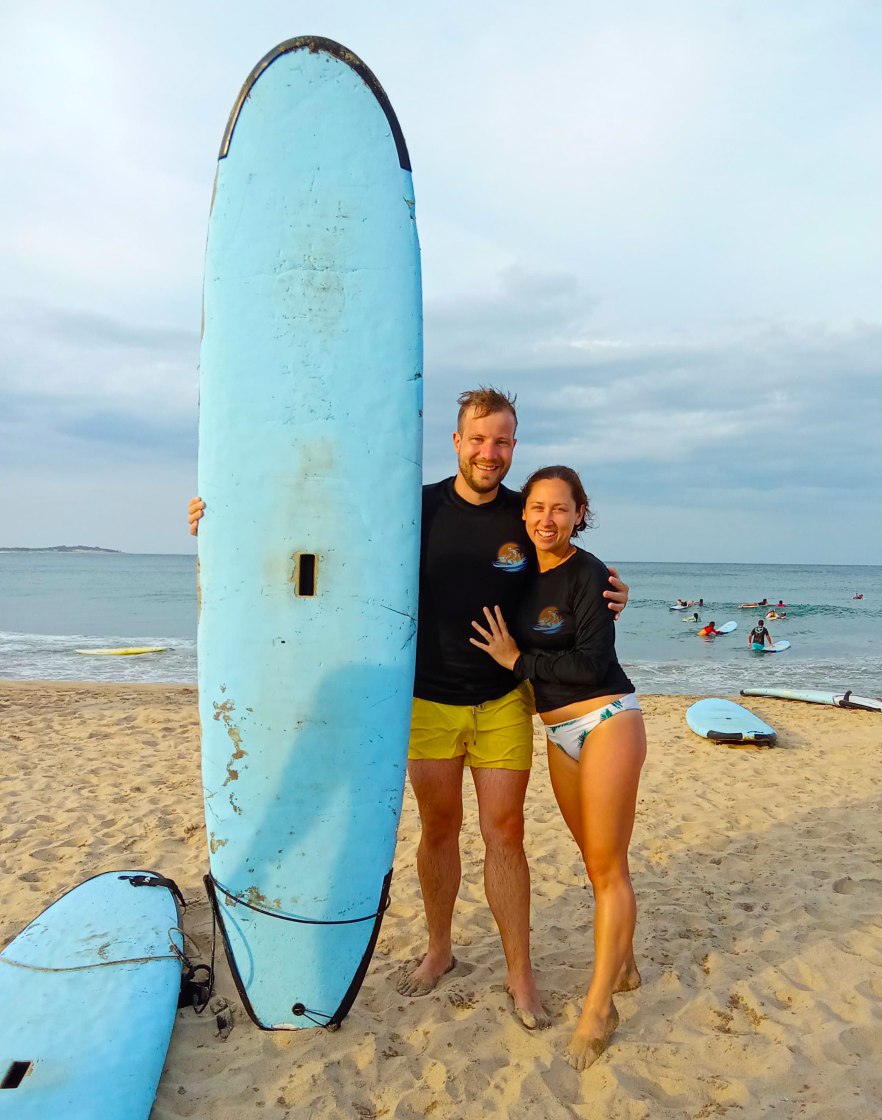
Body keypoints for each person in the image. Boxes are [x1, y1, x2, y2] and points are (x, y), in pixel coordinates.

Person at [187, 388, 629, 1031]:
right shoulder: (414, 506)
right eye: (478, 439)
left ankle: (520, 974)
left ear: (514, 446)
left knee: (506, 833)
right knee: (439, 828)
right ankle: (440, 949)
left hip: (503, 701)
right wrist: (225, 518)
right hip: (426, 700)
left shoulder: (523, 515)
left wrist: (612, 593)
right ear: (456, 442)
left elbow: (570, 570)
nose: (489, 452)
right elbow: (322, 529)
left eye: (502, 441)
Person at [470, 466, 645, 1072]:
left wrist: (518, 662)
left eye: (561, 509)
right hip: (557, 734)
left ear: (579, 514)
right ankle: (624, 965)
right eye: (538, 508)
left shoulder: (590, 574)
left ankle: (599, 1011)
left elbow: (591, 662)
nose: (548, 519)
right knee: (595, 861)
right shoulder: (518, 574)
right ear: (524, 513)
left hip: (607, 720)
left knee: (608, 868)